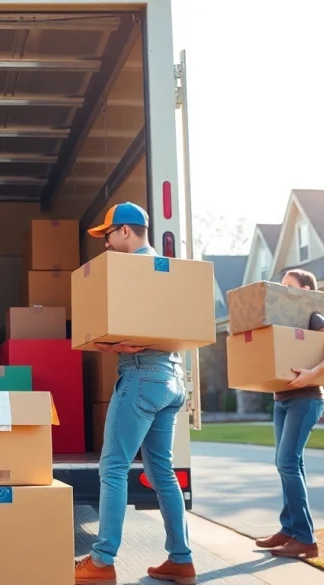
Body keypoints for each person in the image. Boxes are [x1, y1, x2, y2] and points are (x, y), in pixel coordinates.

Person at [73, 203, 195, 585]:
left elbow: (123, 330)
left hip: (142, 377)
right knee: (162, 472)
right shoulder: (169, 272)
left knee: (113, 467)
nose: (106, 244)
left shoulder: (130, 273)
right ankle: (181, 559)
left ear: (125, 231)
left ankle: (101, 561)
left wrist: (107, 343)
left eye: (108, 235)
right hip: (172, 378)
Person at [254, 268, 324, 559]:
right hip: (282, 399)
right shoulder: (282, 317)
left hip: (306, 398)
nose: (282, 289)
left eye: (288, 285)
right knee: (289, 464)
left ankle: (305, 539)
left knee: (287, 463)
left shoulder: (313, 316)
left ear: (305, 290)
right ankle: (289, 529)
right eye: (281, 284)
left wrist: (311, 373)